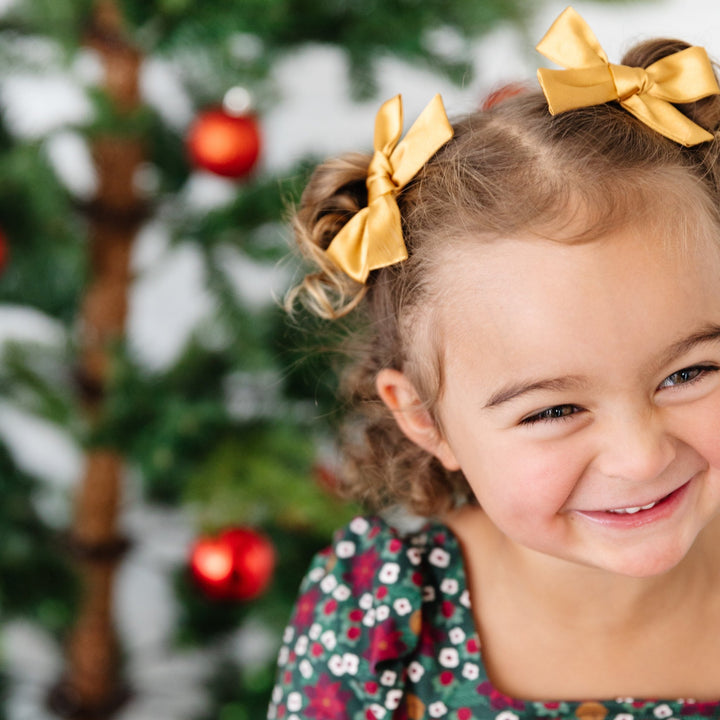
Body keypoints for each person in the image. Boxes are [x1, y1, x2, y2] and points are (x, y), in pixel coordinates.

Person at [268, 7, 720, 719]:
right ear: (423, 417)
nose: (639, 456)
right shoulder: (380, 614)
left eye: (689, 373)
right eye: (554, 409)